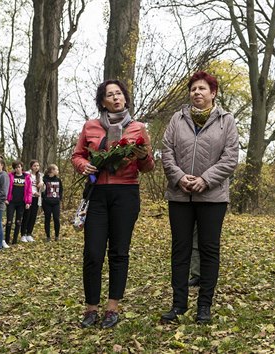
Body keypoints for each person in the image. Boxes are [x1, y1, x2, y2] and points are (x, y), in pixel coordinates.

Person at [72, 79, 154, 329]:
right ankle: (90, 309)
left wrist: (143, 156)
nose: (116, 98)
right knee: (93, 253)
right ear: (102, 102)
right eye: (110, 95)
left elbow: (148, 167)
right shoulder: (91, 126)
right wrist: (84, 166)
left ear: (126, 99)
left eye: (119, 93)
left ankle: (112, 309)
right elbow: (77, 155)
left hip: (126, 194)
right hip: (97, 194)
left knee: (119, 252)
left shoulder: (138, 128)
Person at [160, 71, 239, 324]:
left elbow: (230, 158)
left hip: (212, 197)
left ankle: (204, 305)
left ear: (213, 93)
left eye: (202, 89)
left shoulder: (226, 121)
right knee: (180, 250)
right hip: (180, 196)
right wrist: (180, 177)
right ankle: (178, 304)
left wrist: (205, 179)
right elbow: (167, 151)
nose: (197, 93)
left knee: (209, 250)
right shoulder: (177, 119)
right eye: (193, 89)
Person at [5, 161, 32, 245]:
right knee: (9, 221)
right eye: (16, 167)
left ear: (22, 167)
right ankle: (6, 240)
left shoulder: (26, 177)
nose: (18, 169)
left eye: (19, 167)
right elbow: (6, 188)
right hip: (11, 202)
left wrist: (28, 202)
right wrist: (6, 199)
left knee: (18, 221)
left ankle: (15, 240)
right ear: (14, 168)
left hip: (21, 203)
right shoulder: (10, 176)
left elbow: (29, 191)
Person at [21, 160, 44, 242]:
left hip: (36, 198)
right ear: (31, 166)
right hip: (29, 197)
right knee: (27, 215)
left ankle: (29, 234)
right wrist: (34, 192)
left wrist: (41, 184)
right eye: (34, 166)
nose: (36, 167)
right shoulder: (27, 174)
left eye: (38, 165)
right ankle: (23, 234)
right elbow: (27, 186)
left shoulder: (40, 175)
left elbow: (42, 187)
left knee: (33, 216)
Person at [42, 164, 62, 242]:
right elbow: (42, 191)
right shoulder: (44, 180)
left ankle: (57, 236)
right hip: (47, 203)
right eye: (56, 169)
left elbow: (61, 191)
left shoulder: (58, 180)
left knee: (56, 219)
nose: (58, 171)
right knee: (47, 219)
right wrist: (45, 198)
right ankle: (48, 236)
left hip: (56, 203)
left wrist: (59, 199)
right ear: (52, 171)